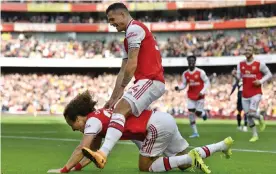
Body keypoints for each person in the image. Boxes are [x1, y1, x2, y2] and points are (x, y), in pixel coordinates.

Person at [47, 91, 234, 173]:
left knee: (146, 167)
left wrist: (64, 170)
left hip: (154, 127)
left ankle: (190, 157)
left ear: (79, 117)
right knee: (182, 166)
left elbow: (82, 148)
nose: (74, 128)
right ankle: (221, 146)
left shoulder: (92, 121)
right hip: (163, 119)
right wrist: (77, 167)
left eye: (73, 124)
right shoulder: (99, 118)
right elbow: (91, 152)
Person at [89, 2, 166, 168]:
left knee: (120, 110)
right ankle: (174, 157)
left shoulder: (134, 29)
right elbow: (122, 71)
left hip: (150, 80)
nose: (111, 23)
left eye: (112, 19)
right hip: (147, 81)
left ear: (122, 14)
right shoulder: (128, 38)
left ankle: (102, 153)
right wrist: (113, 98)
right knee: (128, 121)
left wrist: (121, 96)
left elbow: (131, 65)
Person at [232, 45, 272, 142]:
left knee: (251, 113)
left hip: (256, 92)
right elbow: (239, 79)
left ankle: (260, 117)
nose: (247, 51)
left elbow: (269, 74)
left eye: (249, 50)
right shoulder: (240, 64)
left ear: (253, 51)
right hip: (245, 94)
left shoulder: (259, 63)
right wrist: (234, 75)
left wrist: (261, 81)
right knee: (248, 115)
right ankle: (255, 134)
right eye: (246, 50)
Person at [175, 55, 210, 138]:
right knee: (191, 113)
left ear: (195, 62)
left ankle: (204, 114)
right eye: (189, 61)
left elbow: (207, 82)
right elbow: (184, 84)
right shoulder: (185, 74)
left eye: (192, 61)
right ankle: (195, 133)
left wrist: (202, 91)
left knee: (198, 113)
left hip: (200, 96)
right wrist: (179, 88)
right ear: (188, 62)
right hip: (191, 96)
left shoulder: (200, 72)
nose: (191, 62)